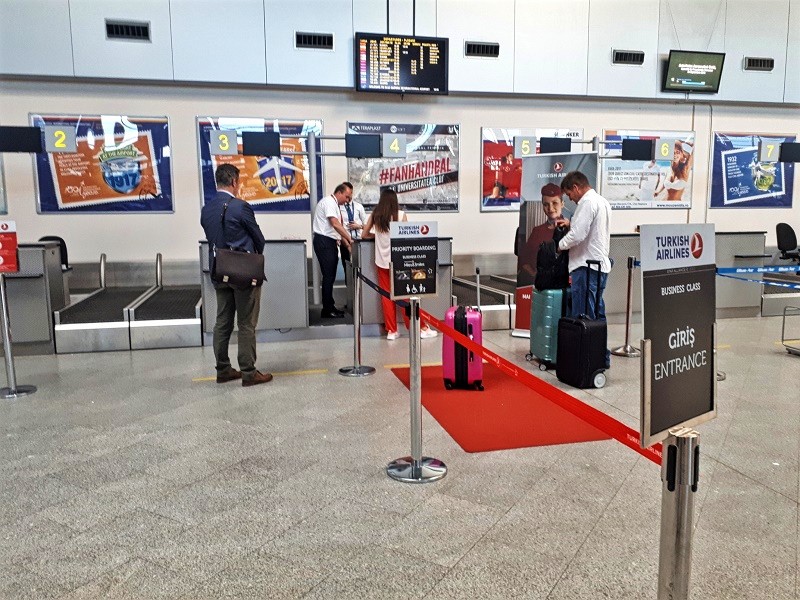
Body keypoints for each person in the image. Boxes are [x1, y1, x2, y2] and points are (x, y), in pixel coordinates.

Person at [200, 163, 272, 387]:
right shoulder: (241, 207)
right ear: (234, 182)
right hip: (242, 273)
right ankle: (249, 372)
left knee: (222, 322)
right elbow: (258, 238)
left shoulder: (207, 209)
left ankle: (223, 370)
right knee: (246, 322)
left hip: (219, 271)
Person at [361, 189, 438, 341]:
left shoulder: (376, 215)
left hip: (382, 262)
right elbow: (405, 238)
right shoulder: (401, 215)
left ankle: (391, 331)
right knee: (407, 294)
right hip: (400, 262)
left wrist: (377, 236)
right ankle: (419, 328)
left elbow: (364, 234)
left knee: (386, 296)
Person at [556, 171, 612, 367]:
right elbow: (592, 229)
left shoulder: (586, 203)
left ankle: (585, 362)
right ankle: (601, 358)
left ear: (576, 188)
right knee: (597, 315)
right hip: (600, 267)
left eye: (569, 194)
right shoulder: (601, 201)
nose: (570, 198)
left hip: (585, 268)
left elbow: (579, 235)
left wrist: (559, 245)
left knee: (584, 316)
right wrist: (571, 223)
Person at [313, 182, 354, 318]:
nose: (348, 200)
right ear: (339, 192)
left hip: (329, 242)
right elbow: (335, 224)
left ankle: (330, 306)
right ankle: (327, 309)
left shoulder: (333, 204)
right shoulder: (329, 202)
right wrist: (350, 238)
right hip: (324, 242)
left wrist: (348, 244)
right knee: (329, 276)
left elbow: (335, 230)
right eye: (347, 197)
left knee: (330, 276)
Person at [517, 183, 568, 287]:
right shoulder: (537, 231)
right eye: (546, 204)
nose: (550, 208)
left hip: (566, 285)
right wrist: (535, 274)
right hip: (542, 286)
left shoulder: (572, 229)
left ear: (562, 203)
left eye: (555, 203)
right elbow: (524, 260)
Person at [338, 194, 367, 278]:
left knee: (361, 267)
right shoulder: (338, 207)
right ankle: (349, 289)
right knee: (347, 269)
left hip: (359, 242)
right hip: (345, 242)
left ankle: (360, 289)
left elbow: (367, 225)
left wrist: (359, 226)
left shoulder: (359, 207)